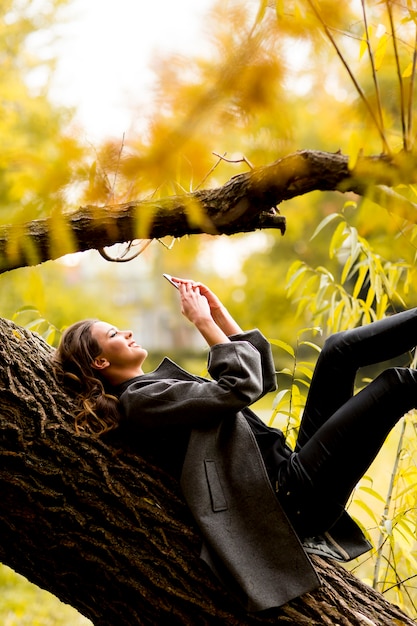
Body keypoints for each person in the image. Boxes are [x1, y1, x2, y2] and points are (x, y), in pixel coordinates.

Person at [52, 278, 417, 611]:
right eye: (115, 334)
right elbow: (240, 386)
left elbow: (257, 380)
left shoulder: (153, 390)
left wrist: (220, 317)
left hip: (291, 471)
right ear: (100, 361)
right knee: (395, 385)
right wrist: (202, 324)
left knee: (337, 351)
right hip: (290, 499)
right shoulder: (140, 402)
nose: (128, 332)